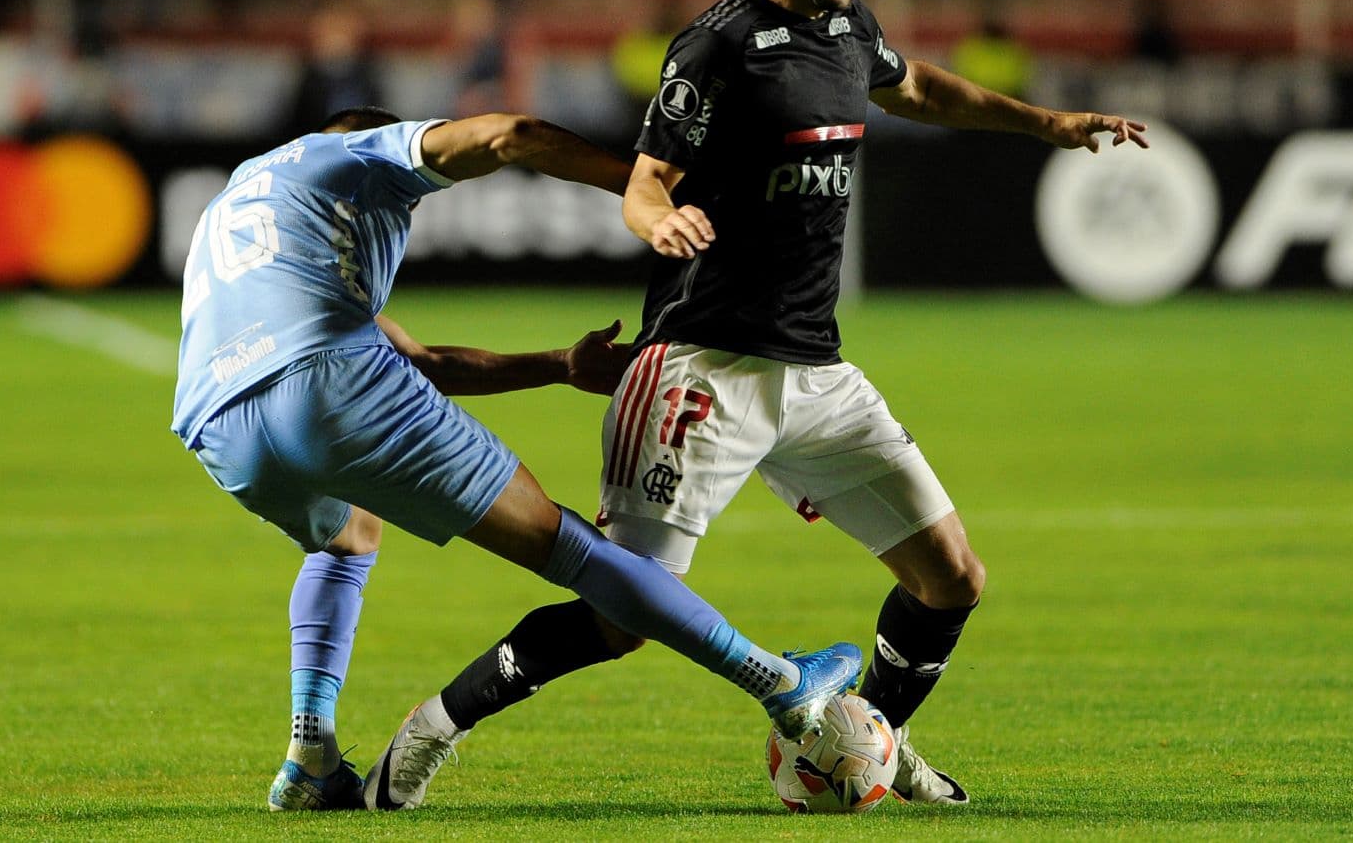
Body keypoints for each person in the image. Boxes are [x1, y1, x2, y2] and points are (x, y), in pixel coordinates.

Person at [375, 0, 1151, 811]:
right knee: (621, 618)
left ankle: (871, 738)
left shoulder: (850, 27)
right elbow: (647, 181)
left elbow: (915, 87)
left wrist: (1050, 124)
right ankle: (431, 730)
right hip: (700, 371)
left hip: (815, 372)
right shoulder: (717, 46)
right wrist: (661, 219)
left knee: (952, 576)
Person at [169, 104, 863, 812]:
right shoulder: (356, 155)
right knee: (573, 552)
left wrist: (560, 364)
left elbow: (417, 359)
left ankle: (310, 755)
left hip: (216, 420)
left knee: (348, 538)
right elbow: (514, 136)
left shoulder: (246, 199)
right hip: (321, 377)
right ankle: (778, 681)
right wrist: (649, 191)